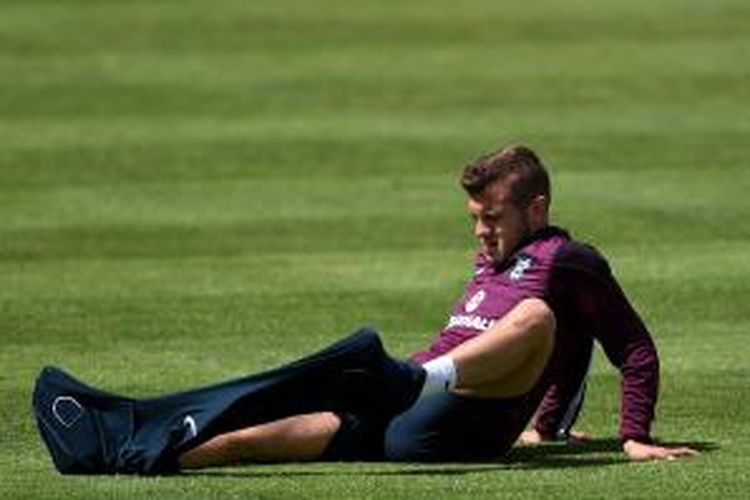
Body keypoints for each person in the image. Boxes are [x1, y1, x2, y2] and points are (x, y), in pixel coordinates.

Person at [33, 145, 697, 475]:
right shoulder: (495, 259)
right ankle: (128, 448)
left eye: (492, 218)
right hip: (410, 413)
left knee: (538, 319)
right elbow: (560, 358)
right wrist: (548, 428)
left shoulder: (567, 259)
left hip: (454, 418)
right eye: (473, 219)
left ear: (538, 209)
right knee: (255, 431)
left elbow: (623, 345)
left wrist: (634, 434)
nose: (479, 232)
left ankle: (409, 378)